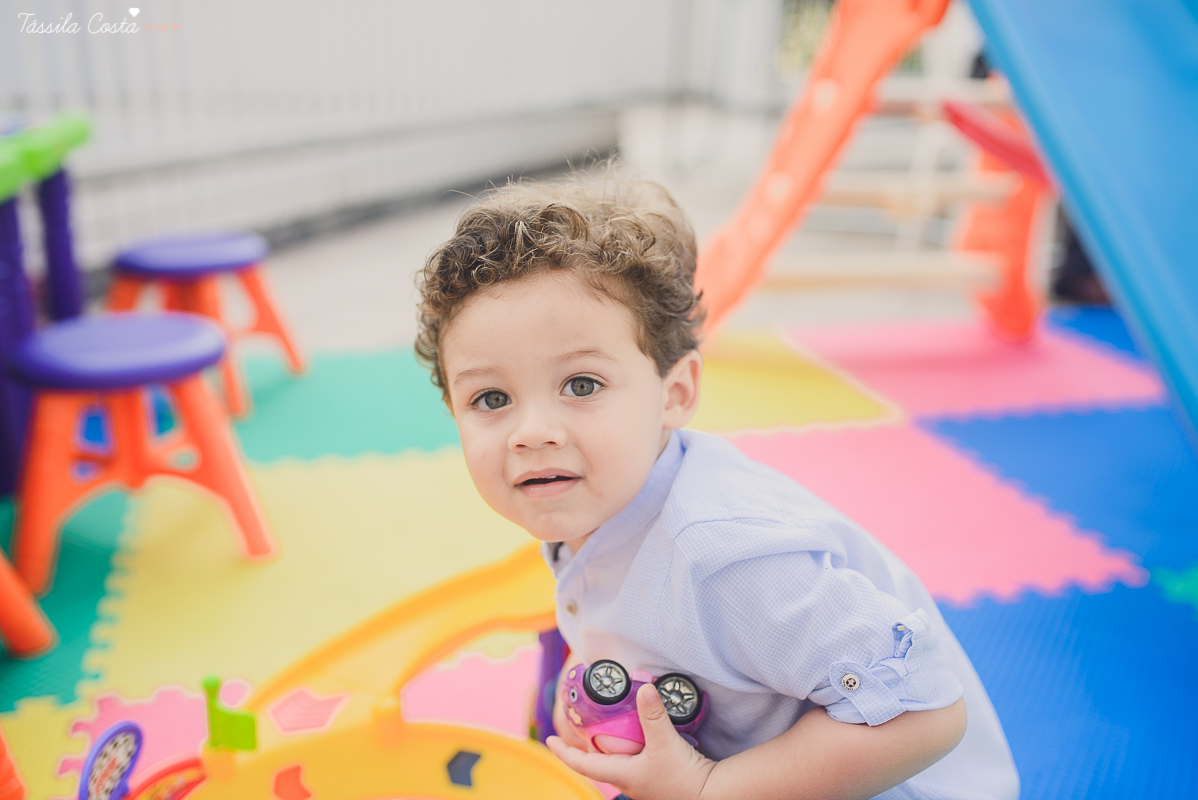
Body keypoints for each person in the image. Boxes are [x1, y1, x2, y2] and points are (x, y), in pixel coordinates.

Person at [415, 171, 1019, 800]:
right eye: (491, 398)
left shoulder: (724, 559)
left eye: (582, 385)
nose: (531, 432)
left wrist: (709, 788)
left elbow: (926, 711)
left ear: (675, 393)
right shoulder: (599, 499)